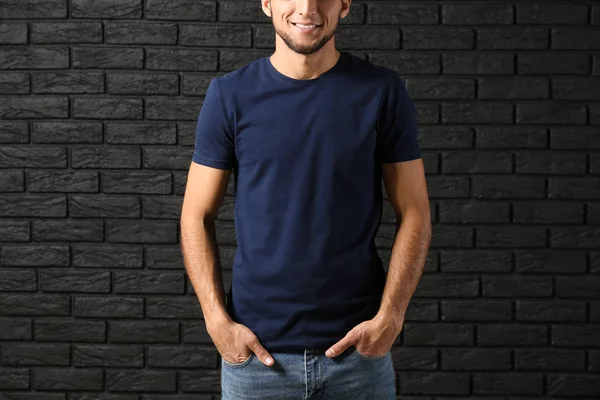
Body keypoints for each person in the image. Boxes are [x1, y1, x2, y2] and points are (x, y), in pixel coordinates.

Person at [180, 0, 432, 398]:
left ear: (345, 5)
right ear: (267, 3)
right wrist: (216, 320)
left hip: (357, 358)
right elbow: (195, 214)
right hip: (256, 360)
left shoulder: (382, 91)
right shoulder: (229, 95)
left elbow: (415, 211)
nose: (307, 8)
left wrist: (391, 317)